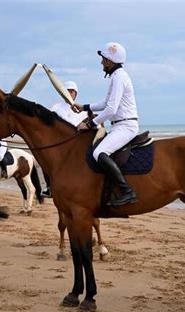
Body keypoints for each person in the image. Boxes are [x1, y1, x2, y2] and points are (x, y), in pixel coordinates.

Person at [73, 42, 139, 206]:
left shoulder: (119, 77)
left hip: (126, 126)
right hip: (119, 124)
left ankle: (127, 190)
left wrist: (89, 124)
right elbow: (106, 102)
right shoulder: (116, 76)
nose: (101, 62)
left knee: (99, 152)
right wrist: (85, 107)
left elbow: (110, 109)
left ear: (110, 61)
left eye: (103, 59)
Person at [41, 80, 89, 198]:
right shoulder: (55, 107)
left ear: (75, 93)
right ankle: (49, 188)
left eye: (72, 91)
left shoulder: (82, 110)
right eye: (68, 91)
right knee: (44, 160)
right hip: (58, 144)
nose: (70, 93)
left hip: (76, 144)